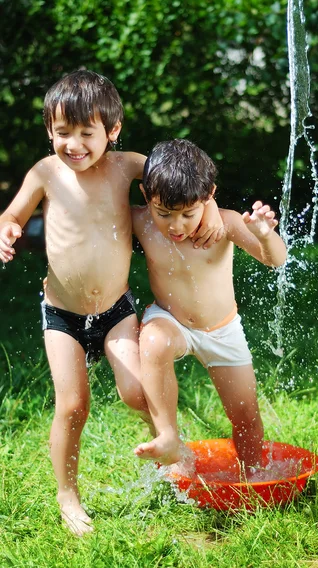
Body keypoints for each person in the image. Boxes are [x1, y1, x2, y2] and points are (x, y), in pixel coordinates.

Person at [0, 71, 222, 535]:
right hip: (61, 314)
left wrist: (213, 209)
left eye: (87, 133)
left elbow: (184, 181)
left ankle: (168, 447)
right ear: (49, 131)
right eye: (63, 133)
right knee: (73, 404)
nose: (74, 144)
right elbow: (13, 212)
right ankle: (68, 494)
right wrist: (7, 228)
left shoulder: (127, 166)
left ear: (112, 130)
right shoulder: (45, 173)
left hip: (117, 309)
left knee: (137, 392)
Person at [131, 139, 287, 473]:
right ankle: (167, 436)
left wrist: (263, 235)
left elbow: (276, 260)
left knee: (245, 415)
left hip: (221, 330)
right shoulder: (140, 221)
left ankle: (253, 478)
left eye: (188, 214)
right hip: (171, 320)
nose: (176, 226)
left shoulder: (226, 222)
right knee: (153, 339)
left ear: (209, 195)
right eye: (164, 213)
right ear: (146, 195)